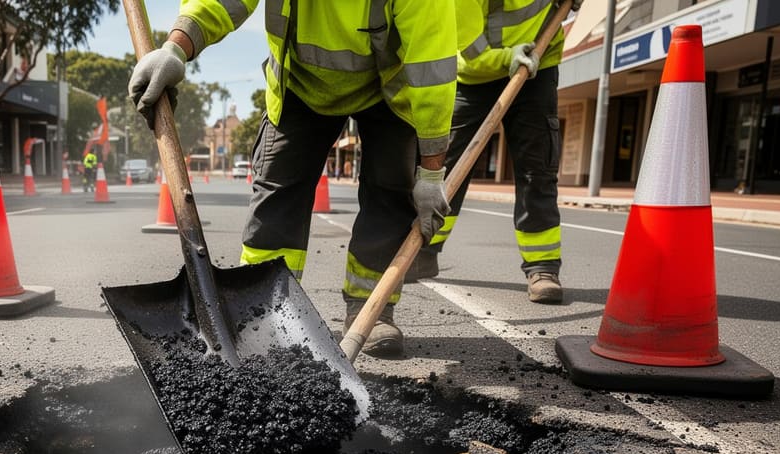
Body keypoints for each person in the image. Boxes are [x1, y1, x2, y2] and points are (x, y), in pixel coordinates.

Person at [130, 0, 463, 357]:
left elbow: (432, 69)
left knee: (388, 193)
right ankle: (260, 311)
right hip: (300, 85)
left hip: (387, 90)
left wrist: (430, 172)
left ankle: (371, 308)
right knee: (278, 194)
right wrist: (176, 46)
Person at [408, 0, 578, 304]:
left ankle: (543, 268)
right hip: (475, 74)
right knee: (445, 168)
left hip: (539, 61)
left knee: (536, 169)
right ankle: (423, 251)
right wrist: (507, 57)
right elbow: (471, 52)